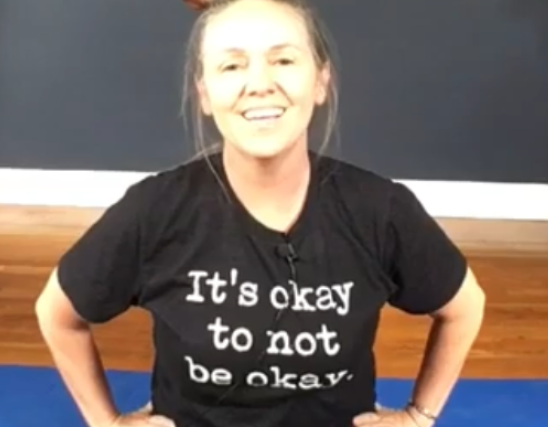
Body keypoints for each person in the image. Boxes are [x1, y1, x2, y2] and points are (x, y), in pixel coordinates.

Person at [34, 0, 486, 425]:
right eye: (232, 65)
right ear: (205, 94)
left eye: (283, 60)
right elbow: (58, 314)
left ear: (321, 81)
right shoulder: (154, 211)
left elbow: (465, 307)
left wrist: (418, 415)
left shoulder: (381, 210)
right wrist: (104, 421)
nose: (259, 83)